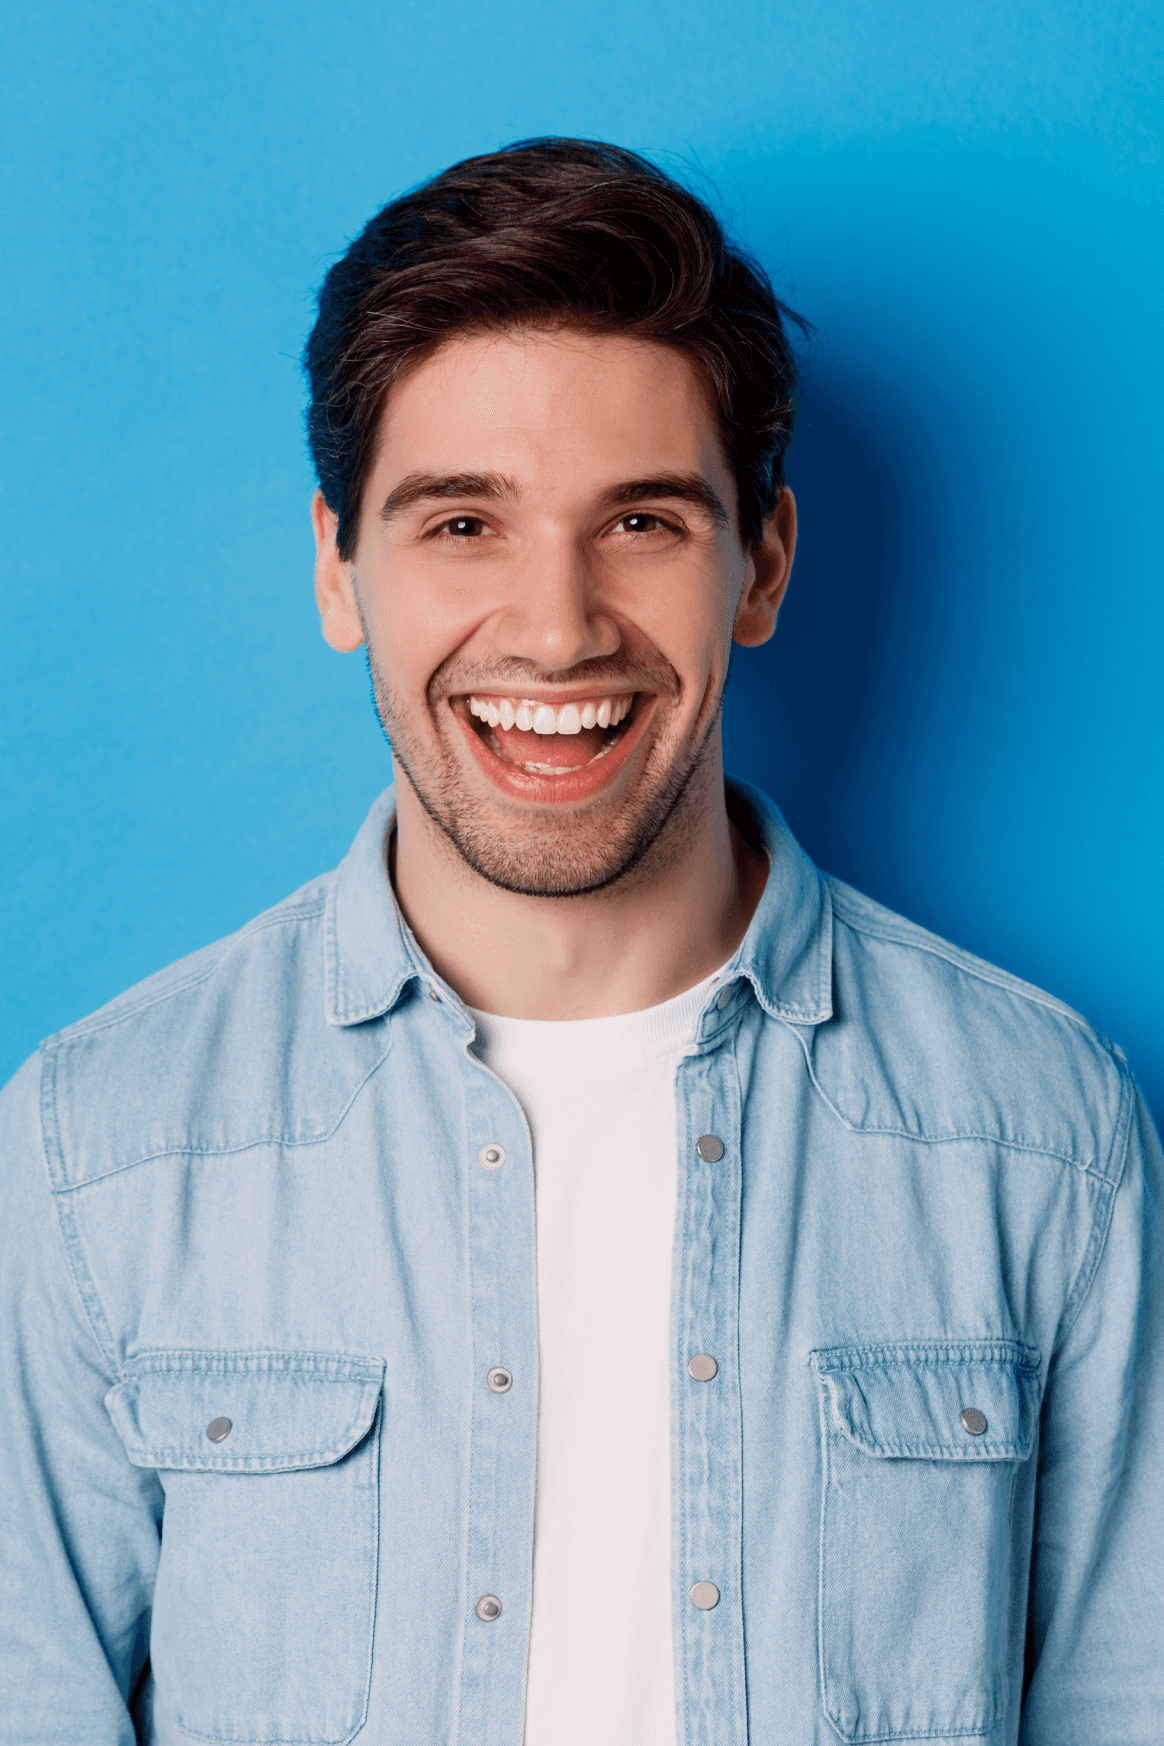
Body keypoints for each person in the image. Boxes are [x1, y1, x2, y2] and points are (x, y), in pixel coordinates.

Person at [1, 137, 1160, 1746]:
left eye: (642, 522)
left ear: (761, 562)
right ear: (341, 565)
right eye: (463, 523)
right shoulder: (95, 1150)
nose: (556, 625)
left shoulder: (1044, 1135)